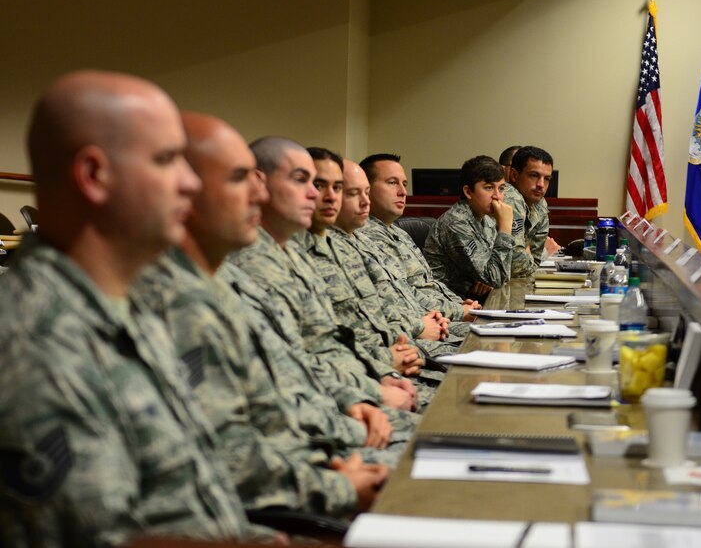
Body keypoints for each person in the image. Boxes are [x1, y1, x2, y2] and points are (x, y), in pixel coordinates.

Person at [0, 71, 281, 546]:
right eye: (168, 160)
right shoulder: (36, 344)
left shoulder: (125, 306)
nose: (191, 183)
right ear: (94, 176)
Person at [131, 113, 390, 519]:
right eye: (239, 178)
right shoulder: (170, 297)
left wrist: (355, 401)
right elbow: (230, 453)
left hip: (310, 452)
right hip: (283, 486)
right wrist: (337, 475)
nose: (258, 193)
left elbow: (290, 370)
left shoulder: (224, 279)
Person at [230, 137, 420, 425]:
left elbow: (332, 339)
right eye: (309, 183)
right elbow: (293, 367)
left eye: (337, 187)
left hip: (356, 386)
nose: (320, 196)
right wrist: (374, 384)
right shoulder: (251, 264)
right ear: (259, 184)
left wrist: (379, 374)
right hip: (323, 417)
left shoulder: (295, 253)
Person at [301, 149, 446, 409]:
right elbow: (315, 349)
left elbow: (386, 306)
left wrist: (401, 348)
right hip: (359, 384)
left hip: (389, 362)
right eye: (353, 192)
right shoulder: (301, 253)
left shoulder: (346, 245)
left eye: (337, 187)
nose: (328, 196)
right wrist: (389, 358)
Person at [359, 153, 479, 331]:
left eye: (404, 184)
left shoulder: (398, 232)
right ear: (366, 189)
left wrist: (457, 303)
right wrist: (458, 311)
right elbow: (405, 292)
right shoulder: (367, 237)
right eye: (392, 182)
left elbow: (427, 283)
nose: (403, 192)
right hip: (423, 325)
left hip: (441, 315)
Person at [423, 155, 514, 299]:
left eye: (501, 189)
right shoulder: (456, 223)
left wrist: (490, 277)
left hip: (474, 300)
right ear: (468, 192)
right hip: (448, 306)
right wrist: (505, 228)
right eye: (489, 187)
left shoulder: (487, 220)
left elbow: (504, 271)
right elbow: (496, 277)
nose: (498, 196)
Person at [504, 145, 561, 277]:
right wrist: (527, 251)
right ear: (514, 175)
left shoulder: (540, 203)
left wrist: (527, 252)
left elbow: (534, 262)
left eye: (546, 179)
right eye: (534, 175)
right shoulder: (510, 197)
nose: (541, 184)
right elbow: (517, 266)